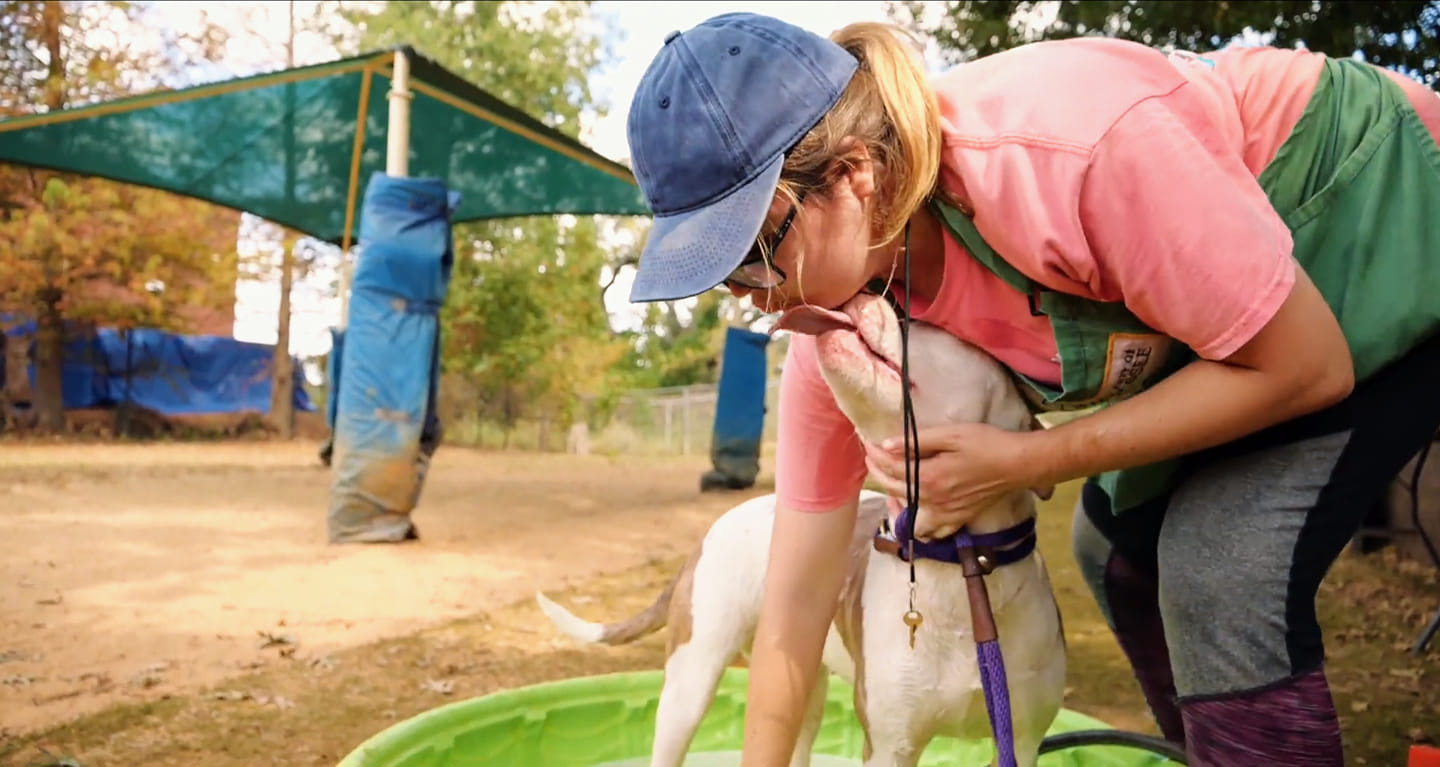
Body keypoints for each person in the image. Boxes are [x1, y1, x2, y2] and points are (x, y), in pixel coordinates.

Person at [621, 11, 1440, 767]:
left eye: (750, 250)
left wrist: (1026, 458)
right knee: (1113, 552)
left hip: (1381, 208)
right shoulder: (839, 332)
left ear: (856, 175)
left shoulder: (1073, 155)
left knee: (1215, 566)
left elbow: (1302, 365)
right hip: (1246, 321)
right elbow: (793, 620)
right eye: (721, 275)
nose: (748, 291)